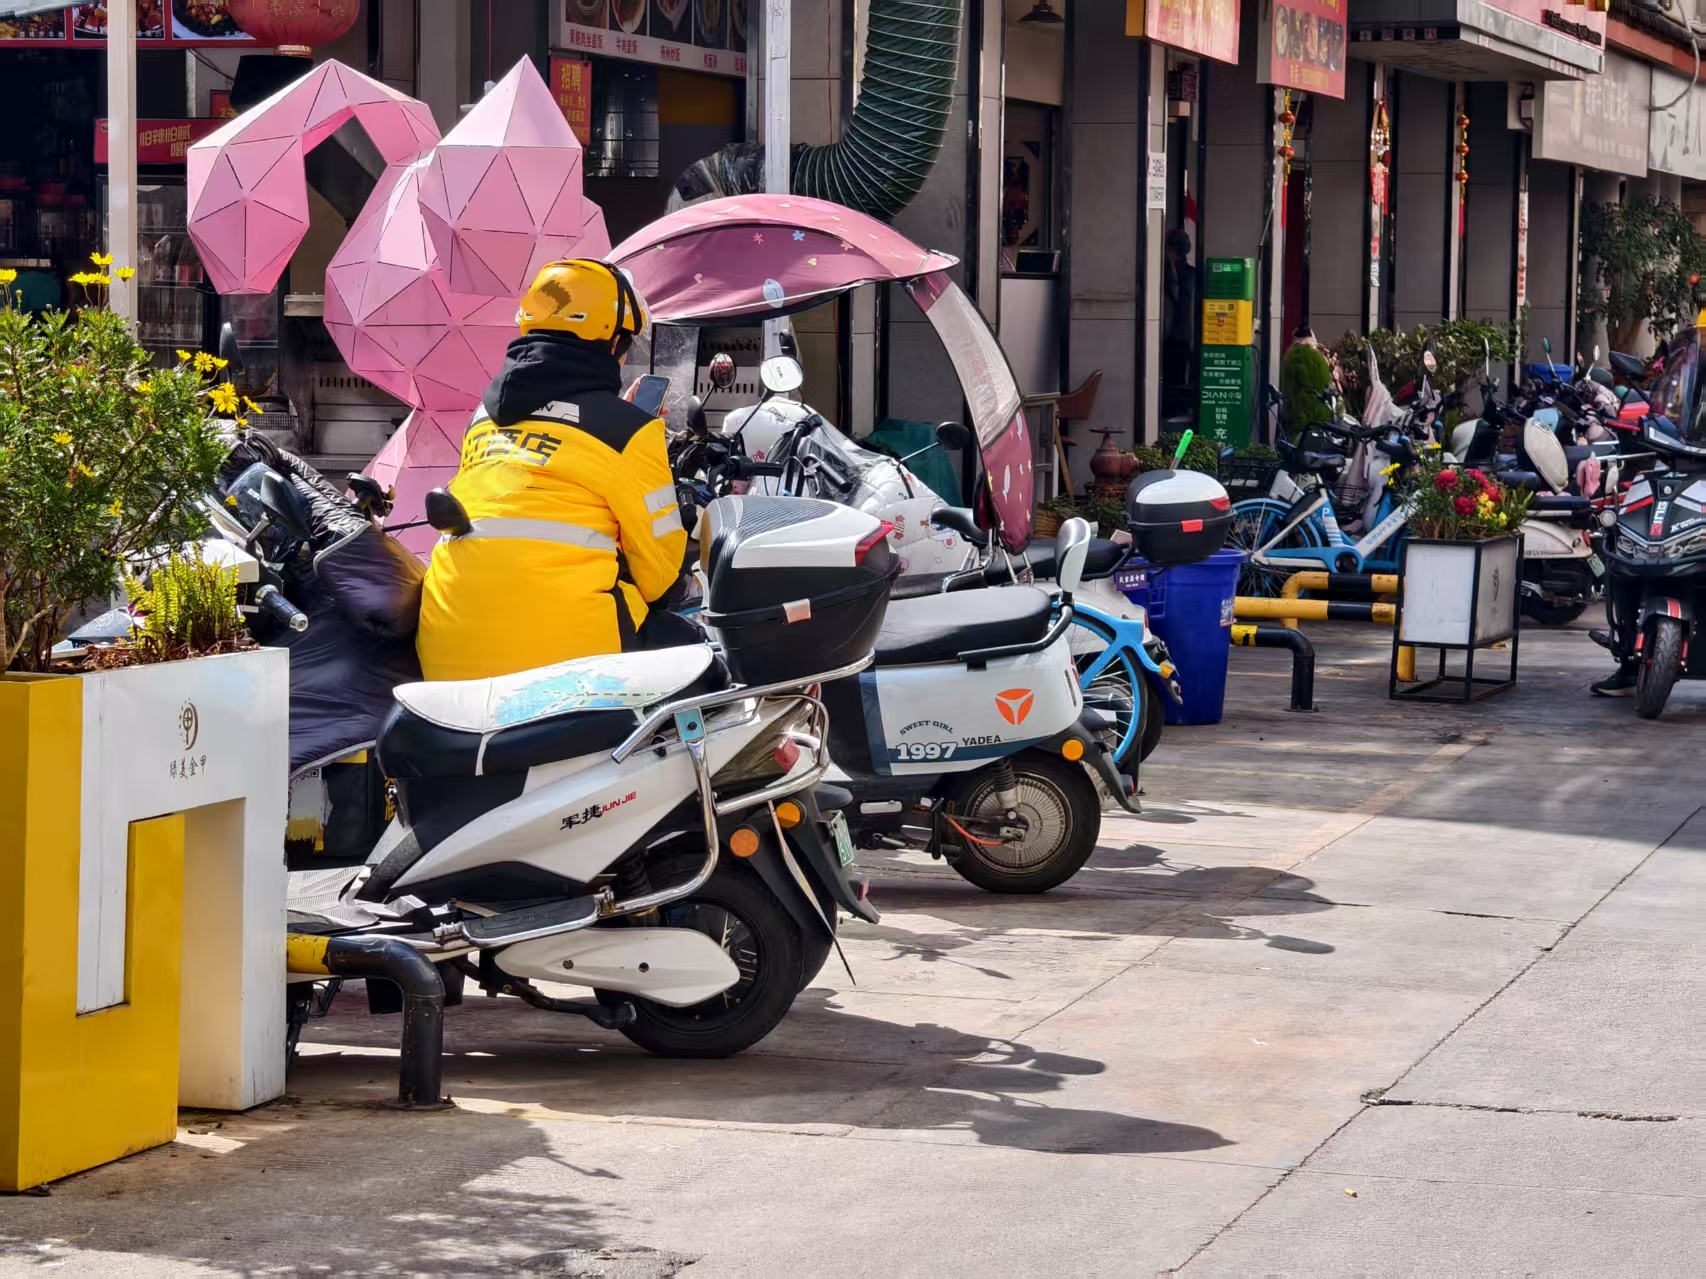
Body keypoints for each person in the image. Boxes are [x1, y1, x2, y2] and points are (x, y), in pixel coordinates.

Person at [415, 259, 690, 682]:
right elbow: (659, 574)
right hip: (568, 669)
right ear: (612, 342)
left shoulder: (482, 419)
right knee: (695, 653)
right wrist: (630, 424)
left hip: (445, 659)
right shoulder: (629, 432)